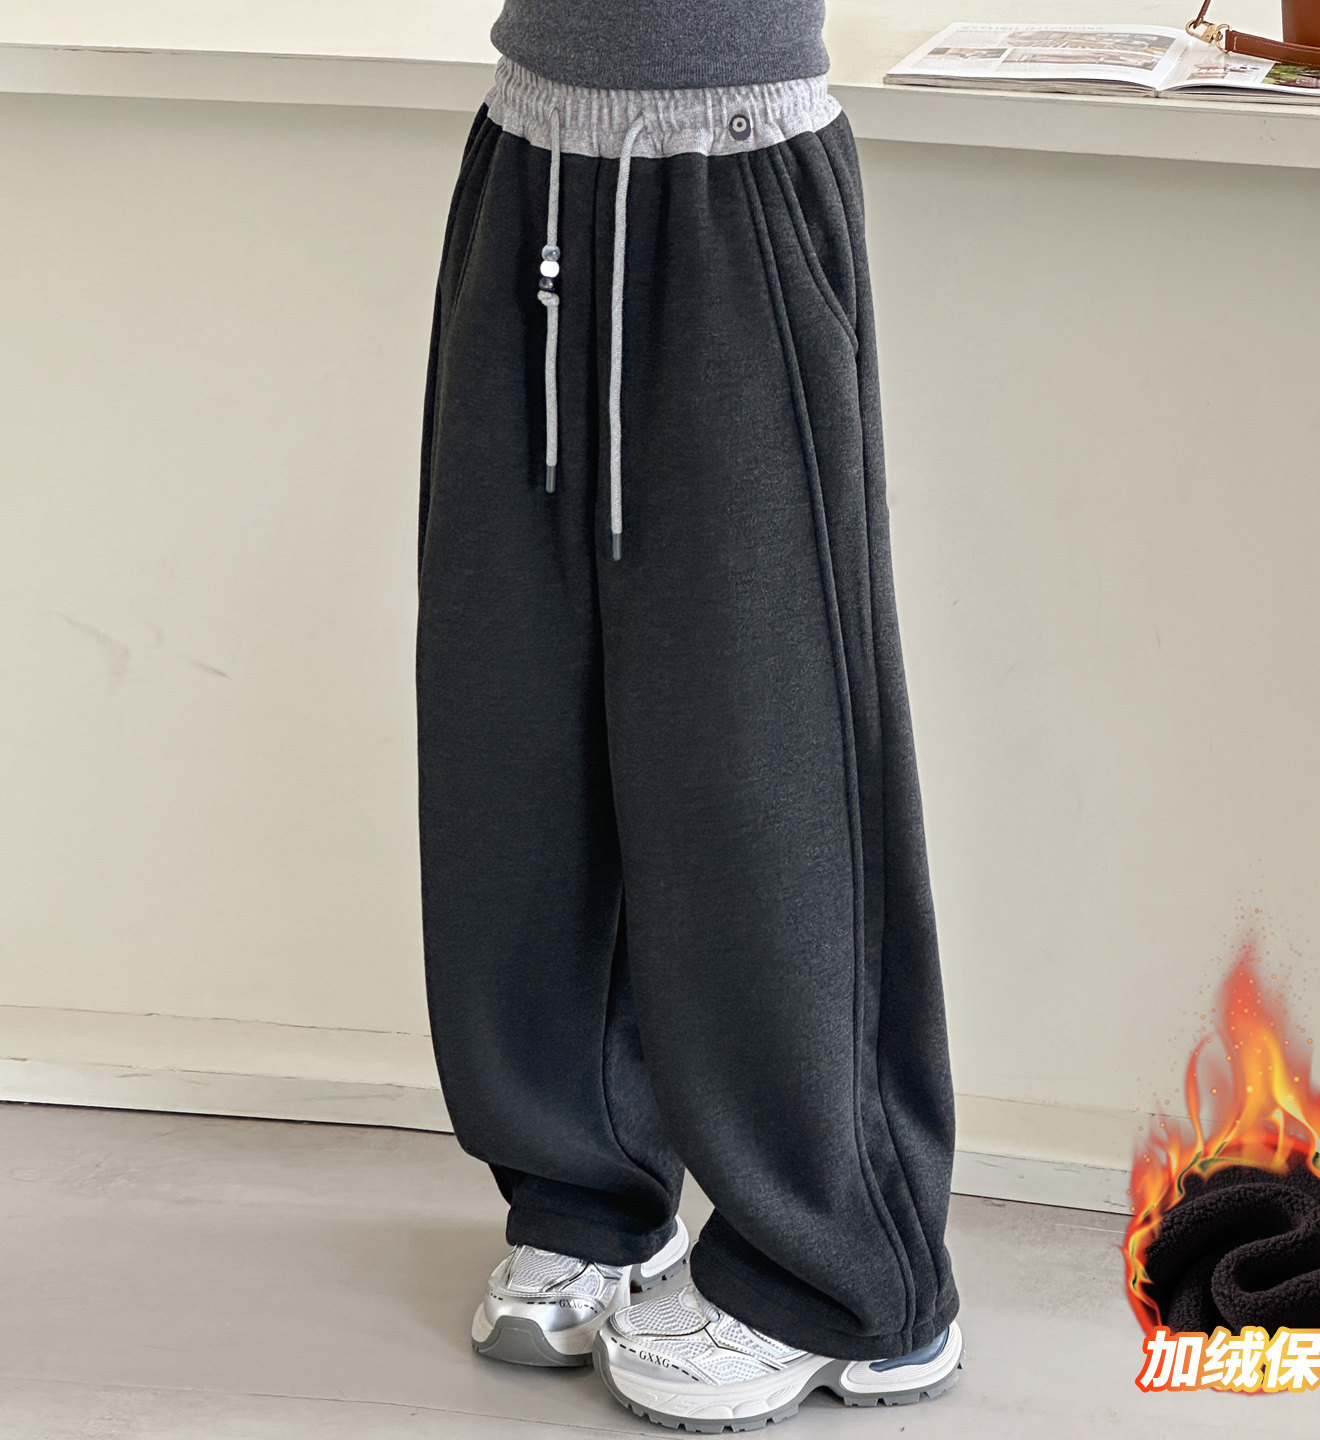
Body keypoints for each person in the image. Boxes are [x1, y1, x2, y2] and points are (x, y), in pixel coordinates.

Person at [414, 0, 963, 1427]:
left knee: (760, 760)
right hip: (532, 165)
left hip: (732, 181)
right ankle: (585, 1188)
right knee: (510, 727)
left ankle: (849, 1276)